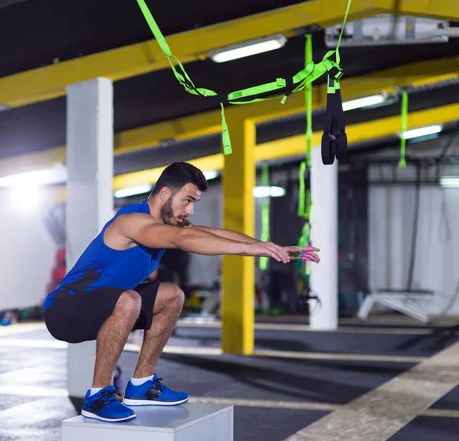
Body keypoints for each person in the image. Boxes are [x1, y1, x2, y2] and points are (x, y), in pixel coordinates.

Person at [43, 161, 320, 423]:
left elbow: (216, 234)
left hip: (107, 305)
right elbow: (184, 239)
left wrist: (269, 247)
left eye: (193, 203)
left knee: (172, 295)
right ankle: (98, 397)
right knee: (130, 299)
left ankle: (141, 384)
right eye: (187, 201)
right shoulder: (131, 221)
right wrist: (251, 250)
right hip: (65, 310)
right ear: (165, 193)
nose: (189, 211)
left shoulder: (168, 224)